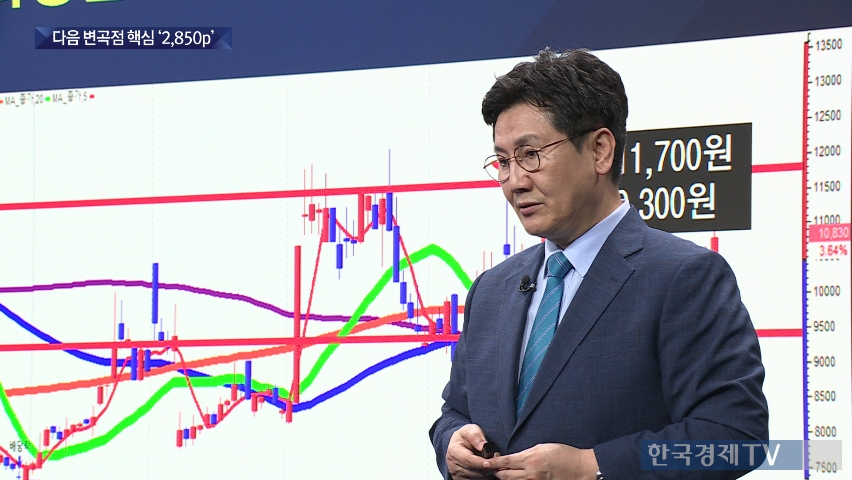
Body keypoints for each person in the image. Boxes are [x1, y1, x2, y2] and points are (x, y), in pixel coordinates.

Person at [429, 48, 768, 480]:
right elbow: (454, 411)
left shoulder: (684, 277)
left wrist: (592, 466)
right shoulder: (492, 289)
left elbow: (735, 442)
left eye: (530, 154)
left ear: (600, 151)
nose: (514, 182)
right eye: (503, 161)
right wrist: (451, 443)